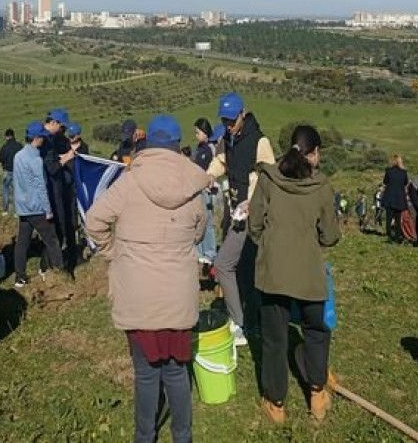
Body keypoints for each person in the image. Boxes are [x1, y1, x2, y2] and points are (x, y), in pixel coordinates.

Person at [86, 114, 209, 443]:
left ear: (148, 144)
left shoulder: (128, 183)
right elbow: (199, 231)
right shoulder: (190, 187)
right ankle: (182, 437)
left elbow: (94, 220)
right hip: (177, 296)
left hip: (138, 294)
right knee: (177, 372)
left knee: (145, 374)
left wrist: (114, 252)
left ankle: (145, 437)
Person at [249, 125, 341, 423]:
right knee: (315, 332)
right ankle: (316, 394)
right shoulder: (322, 186)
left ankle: (276, 404)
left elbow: (254, 224)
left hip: (273, 272)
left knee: (275, 339)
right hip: (308, 274)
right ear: (315, 153)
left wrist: (267, 244)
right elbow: (329, 236)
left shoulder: (268, 178)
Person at [207, 92, 276, 346]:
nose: (227, 125)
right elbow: (221, 161)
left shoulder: (260, 142)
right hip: (236, 209)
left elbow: (270, 177)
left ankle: (240, 322)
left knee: (224, 264)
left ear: (242, 114)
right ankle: (253, 322)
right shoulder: (228, 138)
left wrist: (252, 201)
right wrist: (210, 176)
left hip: (251, 214)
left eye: (231, 120)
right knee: (247, 268)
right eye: (223, 120)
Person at [13, 121, 64, 287]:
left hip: (22, 207)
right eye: (42, 137)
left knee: (22, 243)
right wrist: (48, 210)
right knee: (52, 240)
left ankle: (20, 277)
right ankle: (58, 272)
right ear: (36, 138)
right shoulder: (36, 160)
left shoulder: (18, 156)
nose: (43, 140)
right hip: (37, 208)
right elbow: (41, 186)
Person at [43, 108, 77, 266]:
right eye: (62, 127)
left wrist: (61, 157)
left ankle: (51, 263)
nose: (63, 131)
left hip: (54, 187)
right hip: (50, 189)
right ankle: (51, 265)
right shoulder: (46, 140)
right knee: (54, 229)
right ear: (54, 123)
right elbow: (51, 167)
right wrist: (66, 158)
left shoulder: (52, 139)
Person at [193, 118, 217, 266]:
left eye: (198, 132)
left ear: (205, 132)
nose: (196, 135)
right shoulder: (200, 149)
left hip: (206, 190)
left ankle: (210, 253)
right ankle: (200, 252)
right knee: (199, 221)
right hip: (198, 189)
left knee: (207, 223)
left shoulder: (208, 150)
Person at [382, 155, 409, 243]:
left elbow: (385, 182)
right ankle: (397, 235)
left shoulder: (388, 171)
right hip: (400, 198)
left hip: (389, 197)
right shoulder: (404, 172)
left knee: (389, 217)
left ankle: (389, 234)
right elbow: (406, 183)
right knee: (398, 218)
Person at [0, 128, 22, 217]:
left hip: (7, 171)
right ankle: (16, 212)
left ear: (6, 136)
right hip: (17, 172)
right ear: (13, 135)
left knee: (5, 190)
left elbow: (0, 158)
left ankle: (5, 210)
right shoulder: (19, 146)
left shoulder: (4, 147)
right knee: (17, 192)